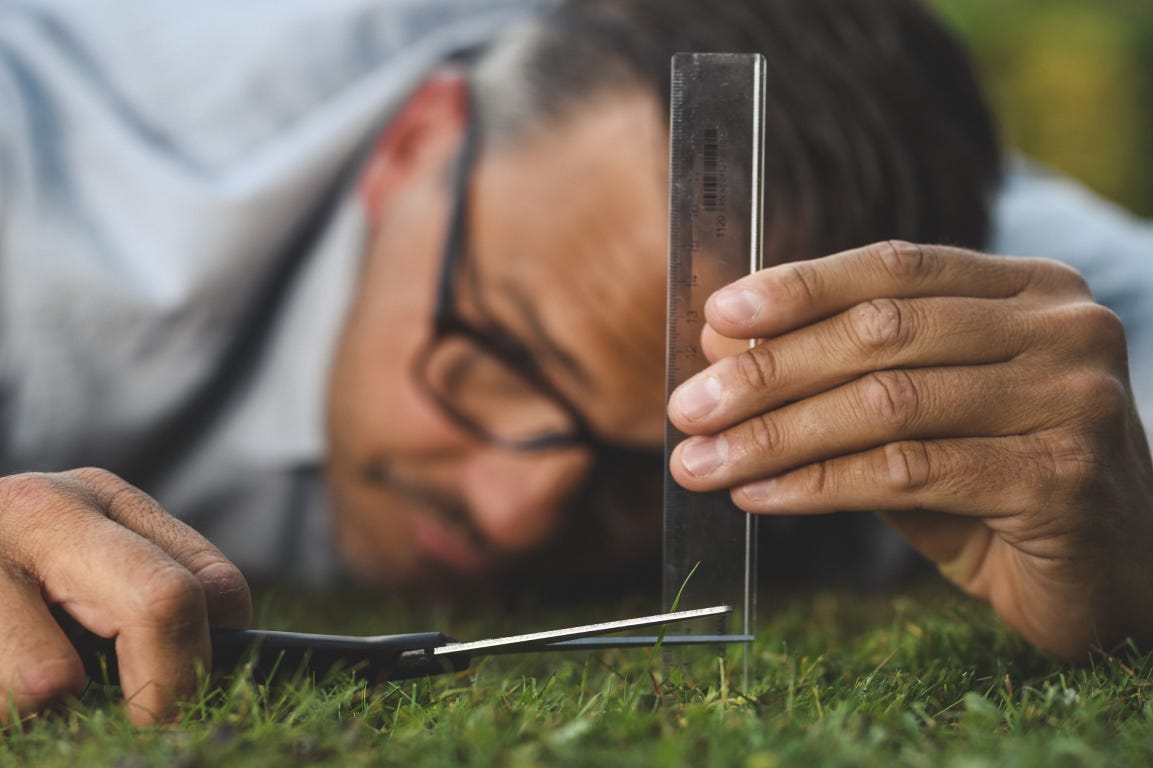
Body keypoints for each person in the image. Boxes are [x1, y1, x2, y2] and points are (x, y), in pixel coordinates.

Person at [1, 0, 1151, 725]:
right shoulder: (45, 158)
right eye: (504, 358)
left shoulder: (989, 268)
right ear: (415, 150)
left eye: (662, 466)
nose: (519, 511)